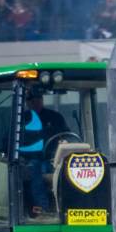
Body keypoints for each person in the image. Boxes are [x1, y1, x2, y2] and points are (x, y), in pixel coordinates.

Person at [19, 83, 70, 215]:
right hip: (30, 161)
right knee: (35, 168)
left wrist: (64, 142)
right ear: (27, 102)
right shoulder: (20, 120)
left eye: (38, 99)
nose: (35, 102)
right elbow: (10, 143)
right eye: (31, 100)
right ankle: (44, 209)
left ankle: (72, 208)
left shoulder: (55, 118)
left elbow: (66, 136)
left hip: (55, 159)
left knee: (68, 167)